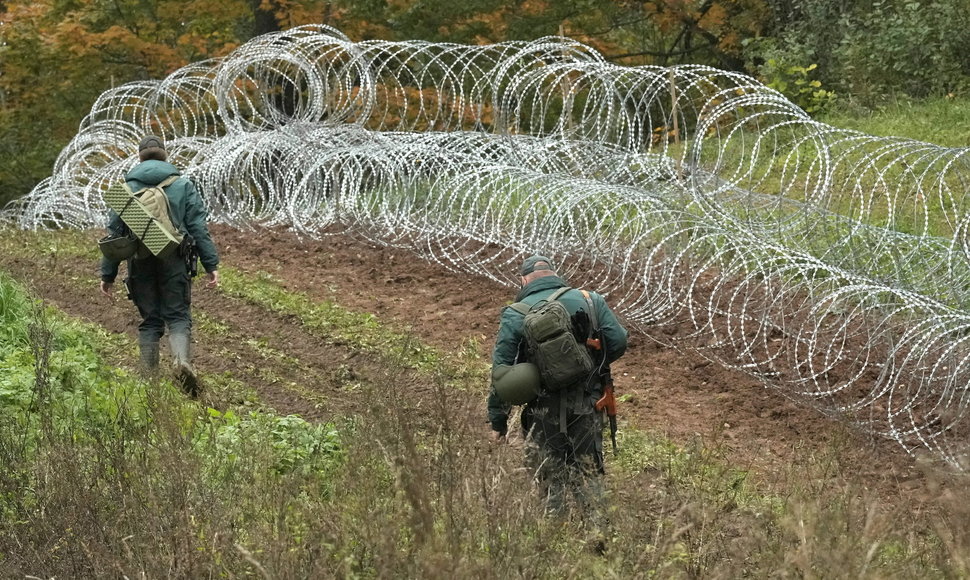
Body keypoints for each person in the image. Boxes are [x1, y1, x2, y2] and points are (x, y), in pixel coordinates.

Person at [487, 255, 628, 527]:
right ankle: (599, 534)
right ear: (554, 274)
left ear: (524, 280)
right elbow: (618, 342)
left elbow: (501, 372)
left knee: (550, 474)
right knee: (589, 470)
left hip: (542, 409)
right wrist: (590, 361)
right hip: (588, 402)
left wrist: (498, 421)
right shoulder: (591, 300)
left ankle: (555, 534)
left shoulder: (516, 313)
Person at [99, 135, 220, 395]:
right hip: (174, 257)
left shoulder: (126, 188)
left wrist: (107, 275)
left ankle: (148, 381)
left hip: (139, 260)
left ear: (139, 158)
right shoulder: (182, 184)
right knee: (177, 315)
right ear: (165, 156)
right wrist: (211, 263)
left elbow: (114, 235)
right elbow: (198, 227)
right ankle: (181, 362)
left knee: (151, 320)